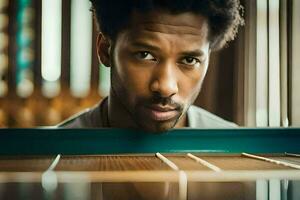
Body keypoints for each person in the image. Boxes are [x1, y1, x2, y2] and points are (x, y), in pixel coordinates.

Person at [59, 0, 244, 132]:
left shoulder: (239, 153)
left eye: (189, 60)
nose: (166, 87)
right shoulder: (50, 156)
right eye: (145, 55)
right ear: (105, 50)